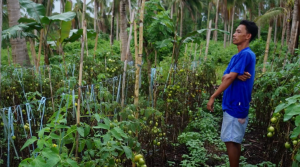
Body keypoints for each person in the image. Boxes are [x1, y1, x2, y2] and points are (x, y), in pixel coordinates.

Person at [206, 20, 258, 167]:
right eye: (235, 31)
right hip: (233, 103)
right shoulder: (236, 57)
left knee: (231, 141)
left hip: (237, 103)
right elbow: (224, 77)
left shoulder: (246, 54)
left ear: (248, 36)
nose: (234, 34)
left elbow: (228, 77)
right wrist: (235, 75)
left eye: (238, 32)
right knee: (233, 140)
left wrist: (213, 96)